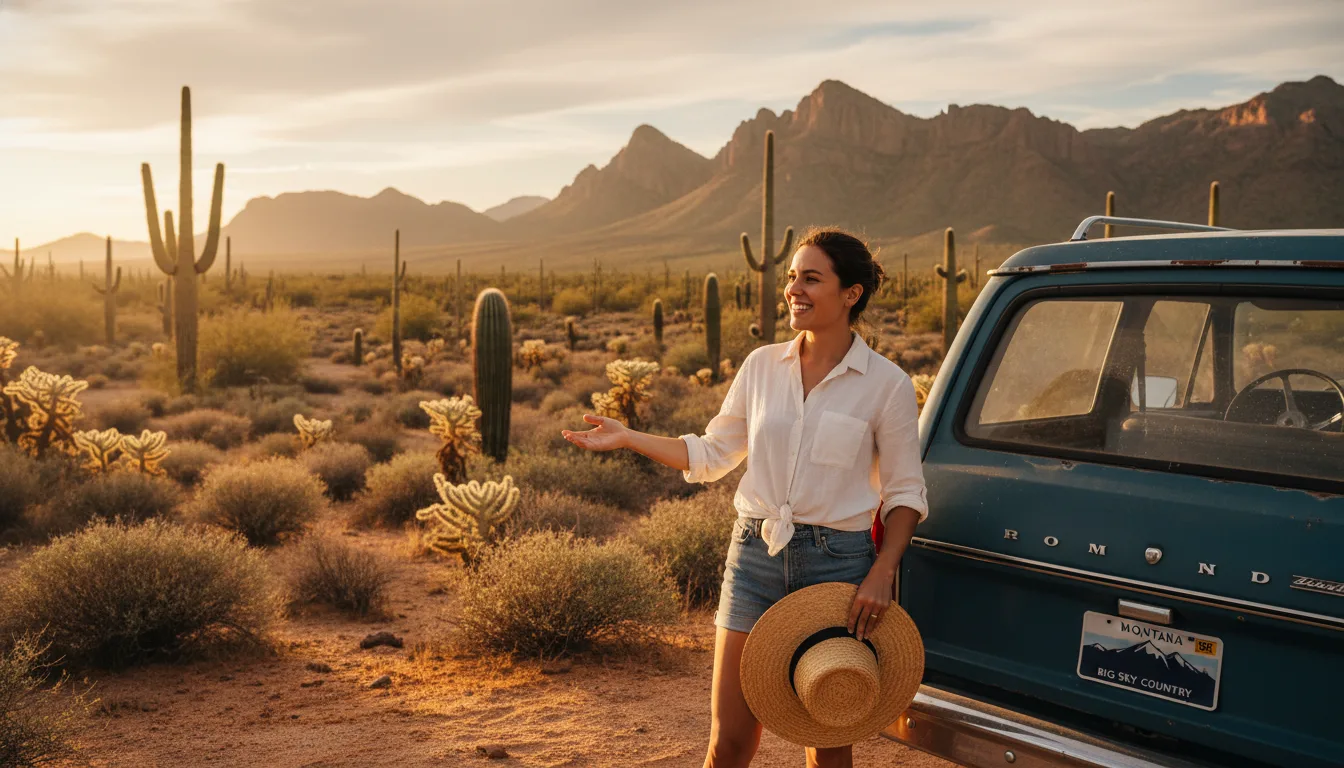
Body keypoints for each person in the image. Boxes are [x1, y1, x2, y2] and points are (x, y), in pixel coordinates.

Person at [562, 228, 927, 768]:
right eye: (790, 278)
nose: (793, 290)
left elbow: (904, 492)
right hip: (754, 557)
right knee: (728, 742)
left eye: (810, 278)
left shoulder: (887, 385)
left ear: (851, 294)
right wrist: (628, 436)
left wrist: (882, 571)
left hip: (839, 566)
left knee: (827, 739)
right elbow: (711, 453)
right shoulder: (761, 367)